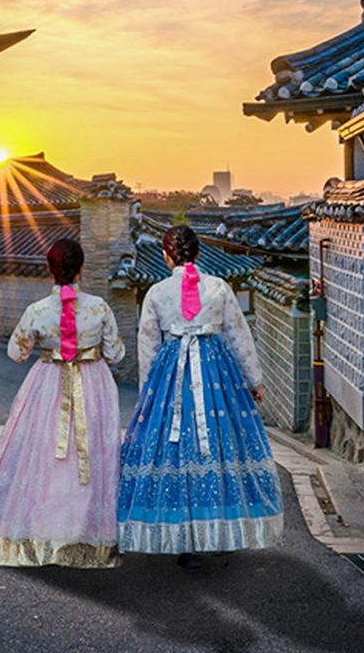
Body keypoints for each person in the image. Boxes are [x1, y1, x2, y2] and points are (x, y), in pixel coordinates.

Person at [118, 225, 283, 568]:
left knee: (176, 452)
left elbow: (147, 345)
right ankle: (221, 531)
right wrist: (255, 380)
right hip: (216, 376)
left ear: (166, 255)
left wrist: (149, 391)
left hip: (171, 376)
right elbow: (239, 336)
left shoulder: (157, 293)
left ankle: (184, 541)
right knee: (222, 447)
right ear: (197, 253)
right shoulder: (219, 288)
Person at [0, 238, 126, 568]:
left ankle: (37, 533)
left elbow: (16, 353)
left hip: (48, 383)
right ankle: (89, 536)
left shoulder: (36, 310)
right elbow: (116, 353)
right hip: (92, 384)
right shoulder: (99, 308)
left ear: (50, 269)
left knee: (44, 457)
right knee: (92, 456)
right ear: (81, 268)